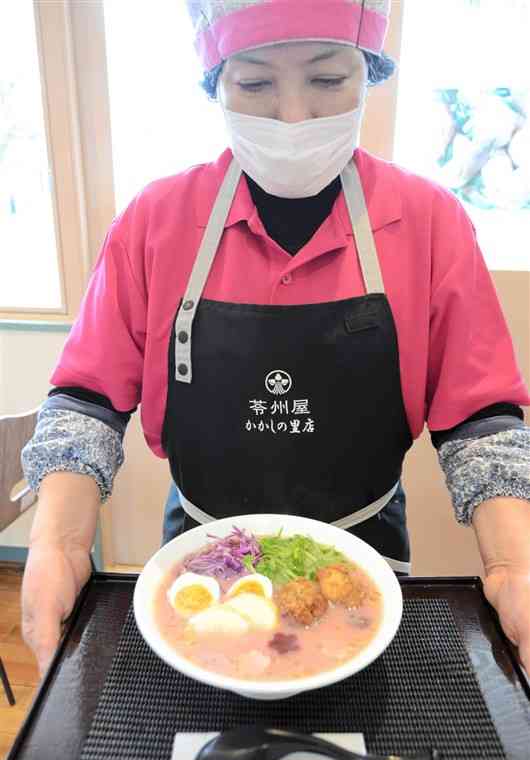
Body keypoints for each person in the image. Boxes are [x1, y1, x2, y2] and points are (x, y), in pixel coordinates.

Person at [21, 0, 530, 678]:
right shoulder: (156, 221)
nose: (293, 117)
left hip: (365, 560)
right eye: (255, 84)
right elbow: (86, 401)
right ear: (216, 85)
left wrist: (511, 566)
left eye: (327, 80)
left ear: (369, 73)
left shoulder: (429, 220)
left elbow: (481, 421)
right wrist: (57, 547)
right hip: (200, 559)